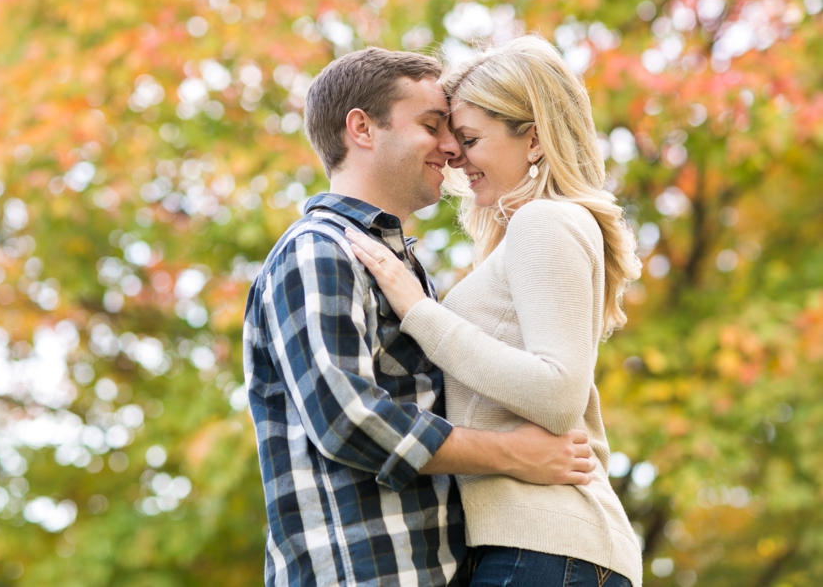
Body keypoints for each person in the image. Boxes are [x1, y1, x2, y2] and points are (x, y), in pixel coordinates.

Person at [242, 46, 597, 587]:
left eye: (461, 133)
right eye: (434, 126)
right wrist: (512, 455)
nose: (452, 149)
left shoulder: (403, 271)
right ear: (362, 128)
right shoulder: (318, 251)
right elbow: (349, 419)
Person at [346, 35, 644, 587]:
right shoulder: (525, 233)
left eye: (469, 138)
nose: (453, 154)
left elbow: (558, 397)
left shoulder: (545, 222)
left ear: (532, 139)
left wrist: (419, 312)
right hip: (538, 549)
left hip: (546, 547)